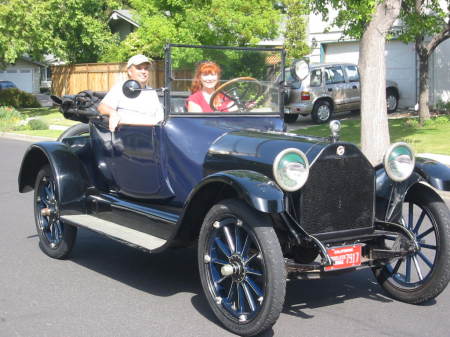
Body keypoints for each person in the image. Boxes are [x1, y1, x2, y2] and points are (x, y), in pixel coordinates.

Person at [98, 54, 164, 132]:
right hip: (126, 137)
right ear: (129, 71)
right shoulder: (121, 88)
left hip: (150, 137)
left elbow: (160, 119)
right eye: (139, 68)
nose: (143, 72)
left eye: (146, 69)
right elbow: (102, 107)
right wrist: (113, 113)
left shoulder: (152, 92)